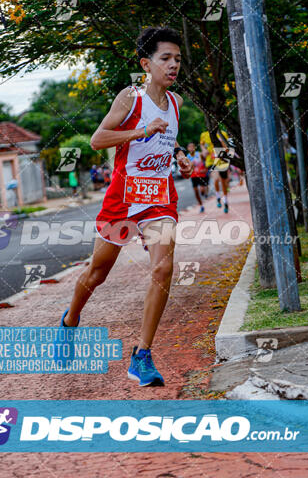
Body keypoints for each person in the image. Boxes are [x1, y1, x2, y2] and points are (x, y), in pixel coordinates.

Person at [57, 26, 193, 387]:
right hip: (123, 199)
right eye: (165, 58)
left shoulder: (176, 103)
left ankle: (142, 355)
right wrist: (139, 132)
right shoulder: (130, 99)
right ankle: (70, 321)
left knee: (163, 270)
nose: (173, 65)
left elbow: (168, 141)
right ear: (146, 64)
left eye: (177, 59)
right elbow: (98, 139)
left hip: (159, 199)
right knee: (97, 273)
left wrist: (180, 157)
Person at [186, 142, 208, 212]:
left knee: (202, 190)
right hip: (193, 175)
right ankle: (201, 205)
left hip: (201, 174)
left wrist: (205, 169)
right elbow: (188, 166)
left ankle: (205, 192)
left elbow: (205, 161)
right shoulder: (187, 157)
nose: (191, 148)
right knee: (196, 191)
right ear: (188, 149)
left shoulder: (199, 154)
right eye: (190, 147)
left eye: (192, 146)